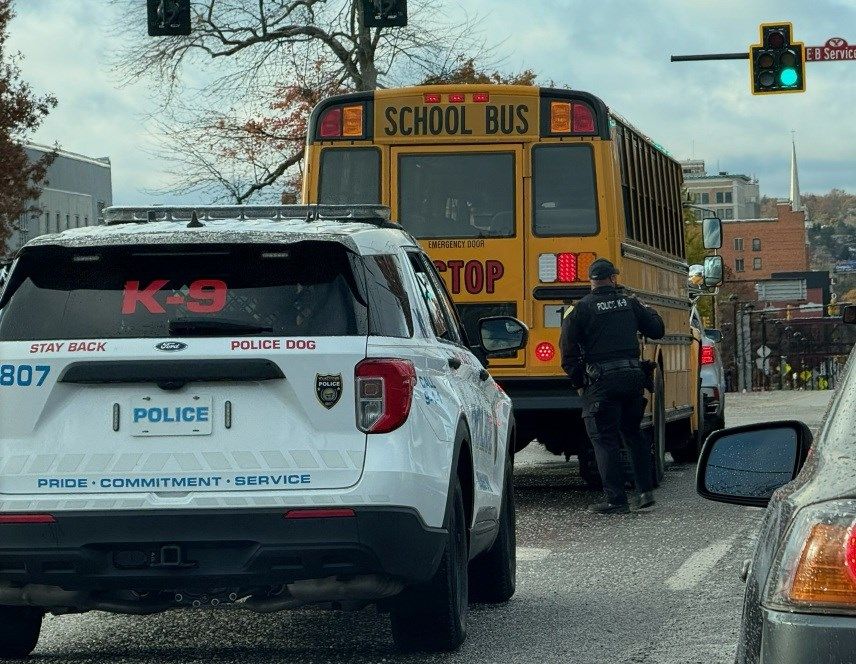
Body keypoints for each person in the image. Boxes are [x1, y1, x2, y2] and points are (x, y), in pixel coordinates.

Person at [560, 258, 665, 514]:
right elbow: (657, 330)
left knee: (604, 439)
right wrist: (647, 308)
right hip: (631, 379)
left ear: (591, 281)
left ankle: (616, 500)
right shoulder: (630, 303)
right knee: (633, 433)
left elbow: (567, 351)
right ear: (613, 278)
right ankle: (644, 492)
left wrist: (579, 381)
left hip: (601, 382)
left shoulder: (580, 309)